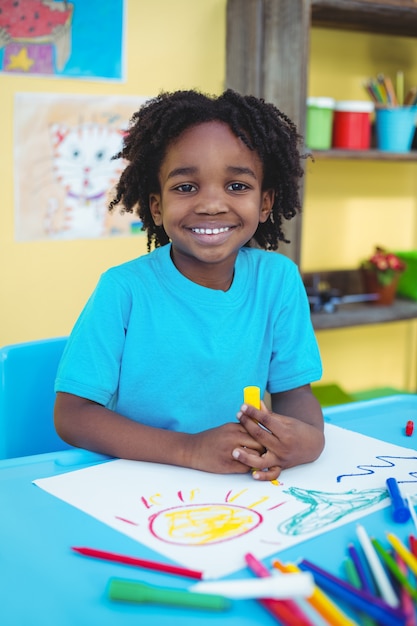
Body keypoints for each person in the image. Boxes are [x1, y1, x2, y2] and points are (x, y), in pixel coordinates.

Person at [54, 89, 324, 482]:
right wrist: (189, 449)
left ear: (265, 203)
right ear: (156, 206)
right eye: (185, 187)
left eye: (237, 186)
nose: (212, 204)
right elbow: (72, 415)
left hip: (238, 486)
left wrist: (310, 440)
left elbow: (294, 395)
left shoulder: (277, 280)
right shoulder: (123, 289)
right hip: (142, 481)